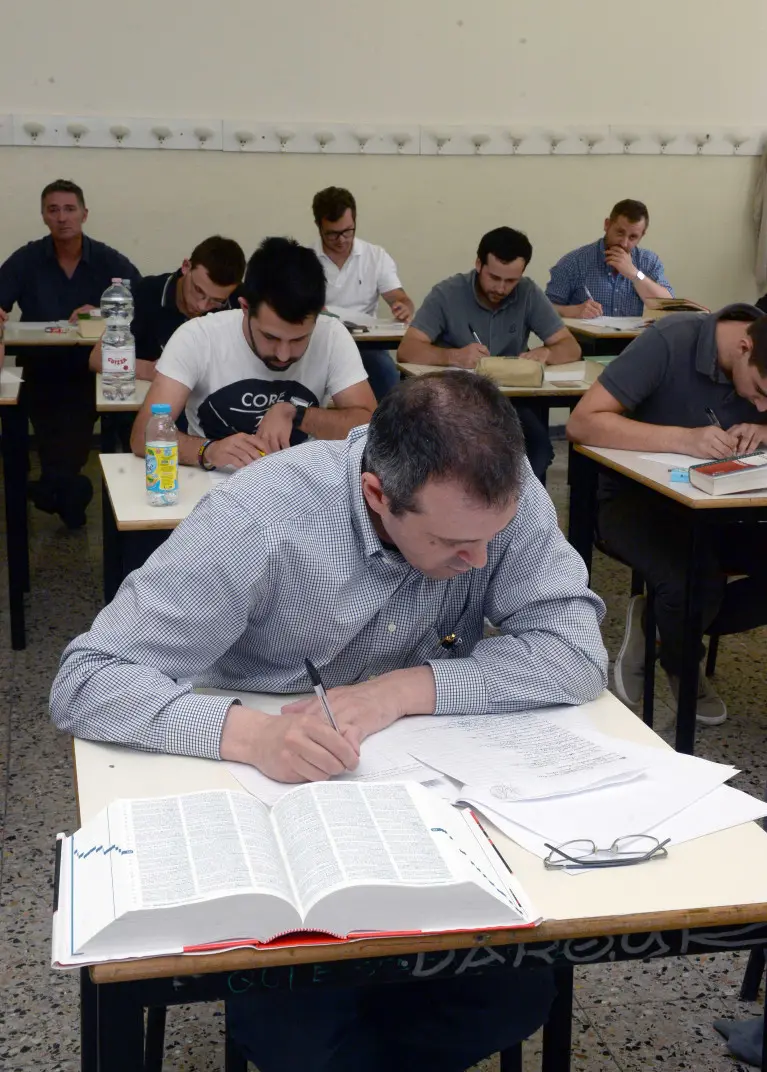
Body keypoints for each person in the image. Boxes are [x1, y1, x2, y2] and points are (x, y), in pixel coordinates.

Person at [51, 370, 606, 1072]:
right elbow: (87, 680)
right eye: (453, 545)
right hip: (271, 804)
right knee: (302, 1029)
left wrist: (404, 689)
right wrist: (251, 736)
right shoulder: (262, 517)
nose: (481, 562)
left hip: (426, 803)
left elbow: (573, 653)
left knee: (515, 995)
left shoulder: (494, 497)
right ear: (378, 494)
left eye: (491, 538)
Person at [566, 304, 767, 725]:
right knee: (690, 580)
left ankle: (659, 629)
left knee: (702, 588)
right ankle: (682, 660)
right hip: (635, 499)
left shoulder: (758, 366)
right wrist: (683, 440)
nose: (761, 407)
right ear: (744, 346)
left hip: (721, 509)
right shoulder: (671, 340)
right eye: (761, 394)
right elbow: (583, 423)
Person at [129, 236, 376, 469]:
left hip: (299, 484)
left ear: (319, 315)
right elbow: (143, 435)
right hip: (214, 486)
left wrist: (299, 415)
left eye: (300, 339)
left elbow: (370, 428)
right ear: (245, 308)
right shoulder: (197, 337)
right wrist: (208, 451)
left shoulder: (331, 335)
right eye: (270, 337)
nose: (282, 354)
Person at [0, 179, 140, 527]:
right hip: (38, 368)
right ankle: (63, 491)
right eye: (53, 210)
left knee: (67, 444)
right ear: (44, 217)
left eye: (69, 209)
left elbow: (142, 299)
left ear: (84, 214)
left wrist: (102, 311)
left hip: (89, 369)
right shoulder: (27, 258)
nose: (62, 217)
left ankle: (57, 490)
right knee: (49, 442)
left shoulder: (107, 258)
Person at [397, 226, 582, 482]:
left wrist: (546, 353)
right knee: (465, 457)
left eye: (511, 281)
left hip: (509, 400)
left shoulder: (527, 293)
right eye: (494, 278)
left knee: (537, 449)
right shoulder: (448, 293)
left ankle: (518, 512)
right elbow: (407, 350)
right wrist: (453, 357)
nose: (501, 288)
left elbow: (571, 347)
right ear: (478, 264)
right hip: (455, 399)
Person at [88, 235, 245, 380]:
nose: (202, 306)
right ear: (186, 267)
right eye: (198, 290)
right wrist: (149, 370)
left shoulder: (238, 303)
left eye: (216, 301)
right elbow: (97, 358)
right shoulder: (147, 292)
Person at [312, 186, 415, 400]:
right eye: (332, 234)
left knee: (387, 375)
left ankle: (386, 429)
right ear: (319, 227)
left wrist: (403, 306)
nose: (341, 240)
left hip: (366, 346)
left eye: (348, 231)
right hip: (318, 343)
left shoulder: (375, 256)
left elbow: (400, 297)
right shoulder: (306, 259)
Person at [546, 199, 673, 319]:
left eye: (633, 237)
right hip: (585, 341)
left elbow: (669, 307)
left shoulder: (648, 261)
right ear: (607, 225)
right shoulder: (575, 262)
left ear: (642, 236)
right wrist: (573, 311)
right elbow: (545, 309)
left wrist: (635, 274)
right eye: (620, 232)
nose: (624, 243)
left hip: (633, 341)